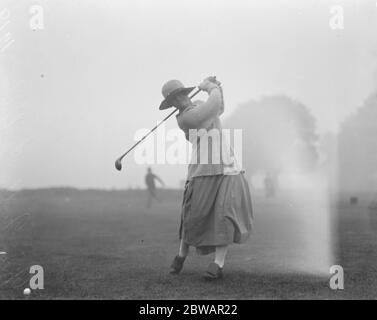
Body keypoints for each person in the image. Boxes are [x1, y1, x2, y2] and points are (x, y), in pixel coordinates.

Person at [159, 78, 254, 280]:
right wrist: (209, 88)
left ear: (186, 93)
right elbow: (212, 107)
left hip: (227, 168)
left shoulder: (201, 106)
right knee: (193, 217)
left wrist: (217, 87)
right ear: (172, 104)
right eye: (175, 99)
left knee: (225, 216)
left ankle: (217, 265)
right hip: (202, 170)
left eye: (181, 94)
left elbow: (218, 108)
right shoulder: (185, 119)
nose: (180, 100)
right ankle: (181, 255)